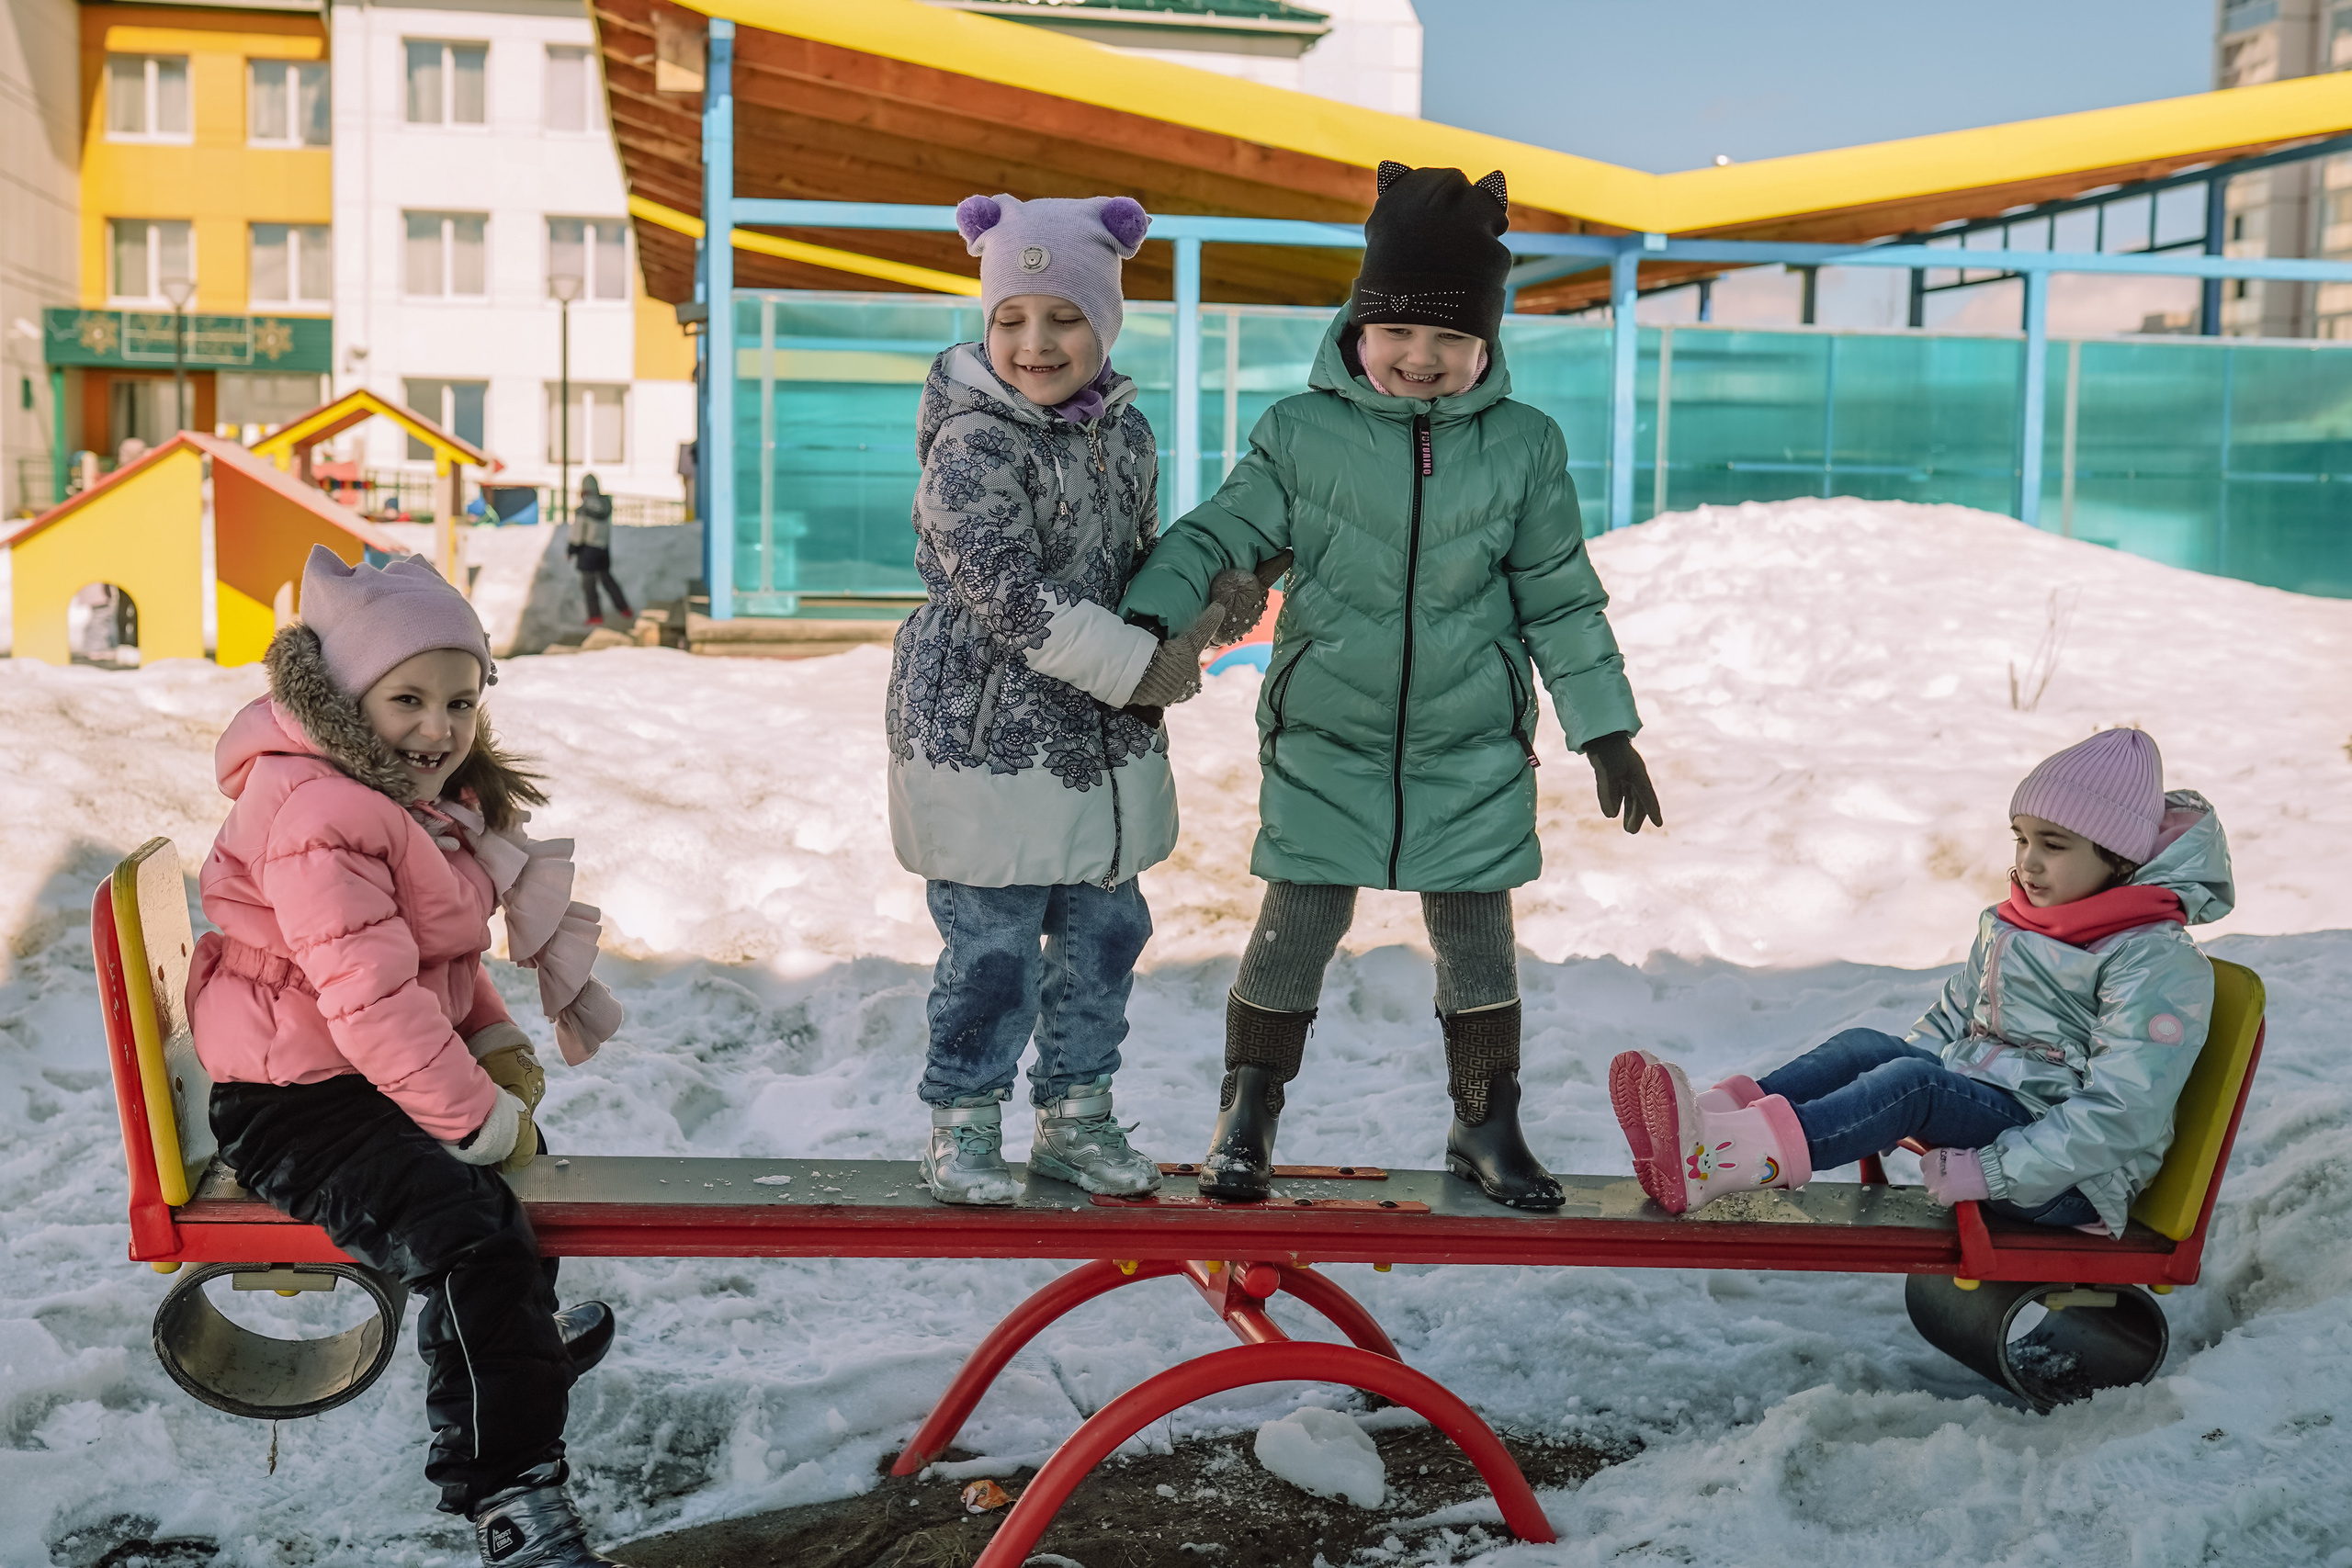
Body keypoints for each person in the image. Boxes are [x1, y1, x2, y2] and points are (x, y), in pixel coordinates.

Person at [1117, 163, 1662, 1211]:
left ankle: (1486, 1124)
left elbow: (1558, 599)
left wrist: (1605, 729)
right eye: (1400, 333)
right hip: (1329, 728)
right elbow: (1223, 534)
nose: (1421, 358)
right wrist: (1151, 611)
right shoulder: (1299, 433)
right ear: (1357, 327)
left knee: (1474, 933)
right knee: (1300, 916)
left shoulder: (1524, 447)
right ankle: (1247, 1113)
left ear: (1486, 345)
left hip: (1470, 738)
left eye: (1451, 340)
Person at [187, 546, 628, 1566]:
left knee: (509, 1177)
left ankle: (509, 1349)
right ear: (344, 700)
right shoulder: (319, 816)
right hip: (293, 1101)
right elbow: (366, 995)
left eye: (461, 704)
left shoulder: (400, 801)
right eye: (409, 701)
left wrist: (492, 1043)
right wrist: (468, 1111)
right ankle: (510, 1491)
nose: (439, 731)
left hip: (348, 1072)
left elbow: (434, 961)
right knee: (468, 1233)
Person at [886, 193, 1224, 1206]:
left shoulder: (1124, 433)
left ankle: (1077, 1115)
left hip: (1099, 739)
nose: (1037, 341)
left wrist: (1205, 588)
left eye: (1065, 316)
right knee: (993, 943)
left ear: (1106, 321)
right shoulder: (974, 444)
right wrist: (1137, 668)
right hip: (985, 731)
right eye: (1012, 318)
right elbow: (1004, 596)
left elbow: (1133, 560)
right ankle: (962, 1119)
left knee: (1105, 936)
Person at [1614, 728, 2233, 1231]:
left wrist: (1994, 1169)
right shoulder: (2018, 925)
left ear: (2117, 858)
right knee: (1868, 1047)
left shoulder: (2153, 961)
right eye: (2022, 839)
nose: (2029, 861)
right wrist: (1883, 1083)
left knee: (1912, 1084)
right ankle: (1703, 1122)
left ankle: (1723, 1157)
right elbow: (1946, 1022)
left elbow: (2124, 1113)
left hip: (2068, 1181)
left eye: (2055, 844)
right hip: (2000, 1117)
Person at [567, 475, 630, 626]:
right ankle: (624, 608)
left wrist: (572, 549)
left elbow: (578, 533)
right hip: (603, 549)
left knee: (589, 585)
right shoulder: (605, 505)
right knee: (607, 580)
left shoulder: (583, 510)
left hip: (588, 551)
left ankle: (595, 615)